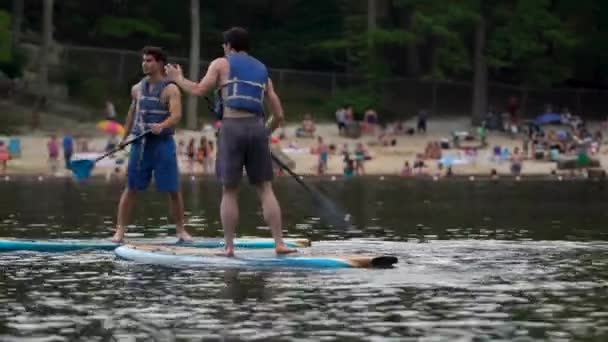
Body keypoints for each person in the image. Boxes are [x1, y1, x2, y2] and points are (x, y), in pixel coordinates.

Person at [165, 27, 296, 256]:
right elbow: (280, 115)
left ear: (228, 45)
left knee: (230, 190)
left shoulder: (221, 64)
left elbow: (198, 89)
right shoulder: (262, 69)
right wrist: (265, 132)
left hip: (232, 128)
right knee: (265, 188)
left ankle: (229, 247)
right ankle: (279, 243)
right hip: (257, 128)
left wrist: (178, 79)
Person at [112, 46, 192, 243]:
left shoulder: (171, 89)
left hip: (163, 144)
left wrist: (162, 125)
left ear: (160, 63)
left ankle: (181, 230)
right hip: (140, 144)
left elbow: (177, 115)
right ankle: (120, 231)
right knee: (131, 188)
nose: (145, 63)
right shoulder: (137, 89)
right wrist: (124, 138)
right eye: (144, 60)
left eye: (149, 60)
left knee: (173, 190)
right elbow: (132, 113)